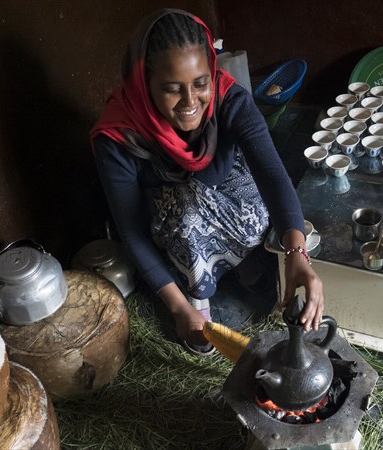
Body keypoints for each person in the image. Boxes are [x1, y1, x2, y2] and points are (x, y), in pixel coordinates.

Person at [90, 8, 324, 355]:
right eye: (171, 89)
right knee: (187, 213)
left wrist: (297, 252)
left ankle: (241, 263)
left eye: (200, 84)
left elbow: (273, 175)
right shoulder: (117, 137)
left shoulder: (230, 99)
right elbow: (132, 231)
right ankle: (197, 290)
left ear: (212, 73)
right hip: (171, 214)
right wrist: (178, 307)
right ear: (144, 83)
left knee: (257, 211)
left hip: (221, 182)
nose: (190, 102)